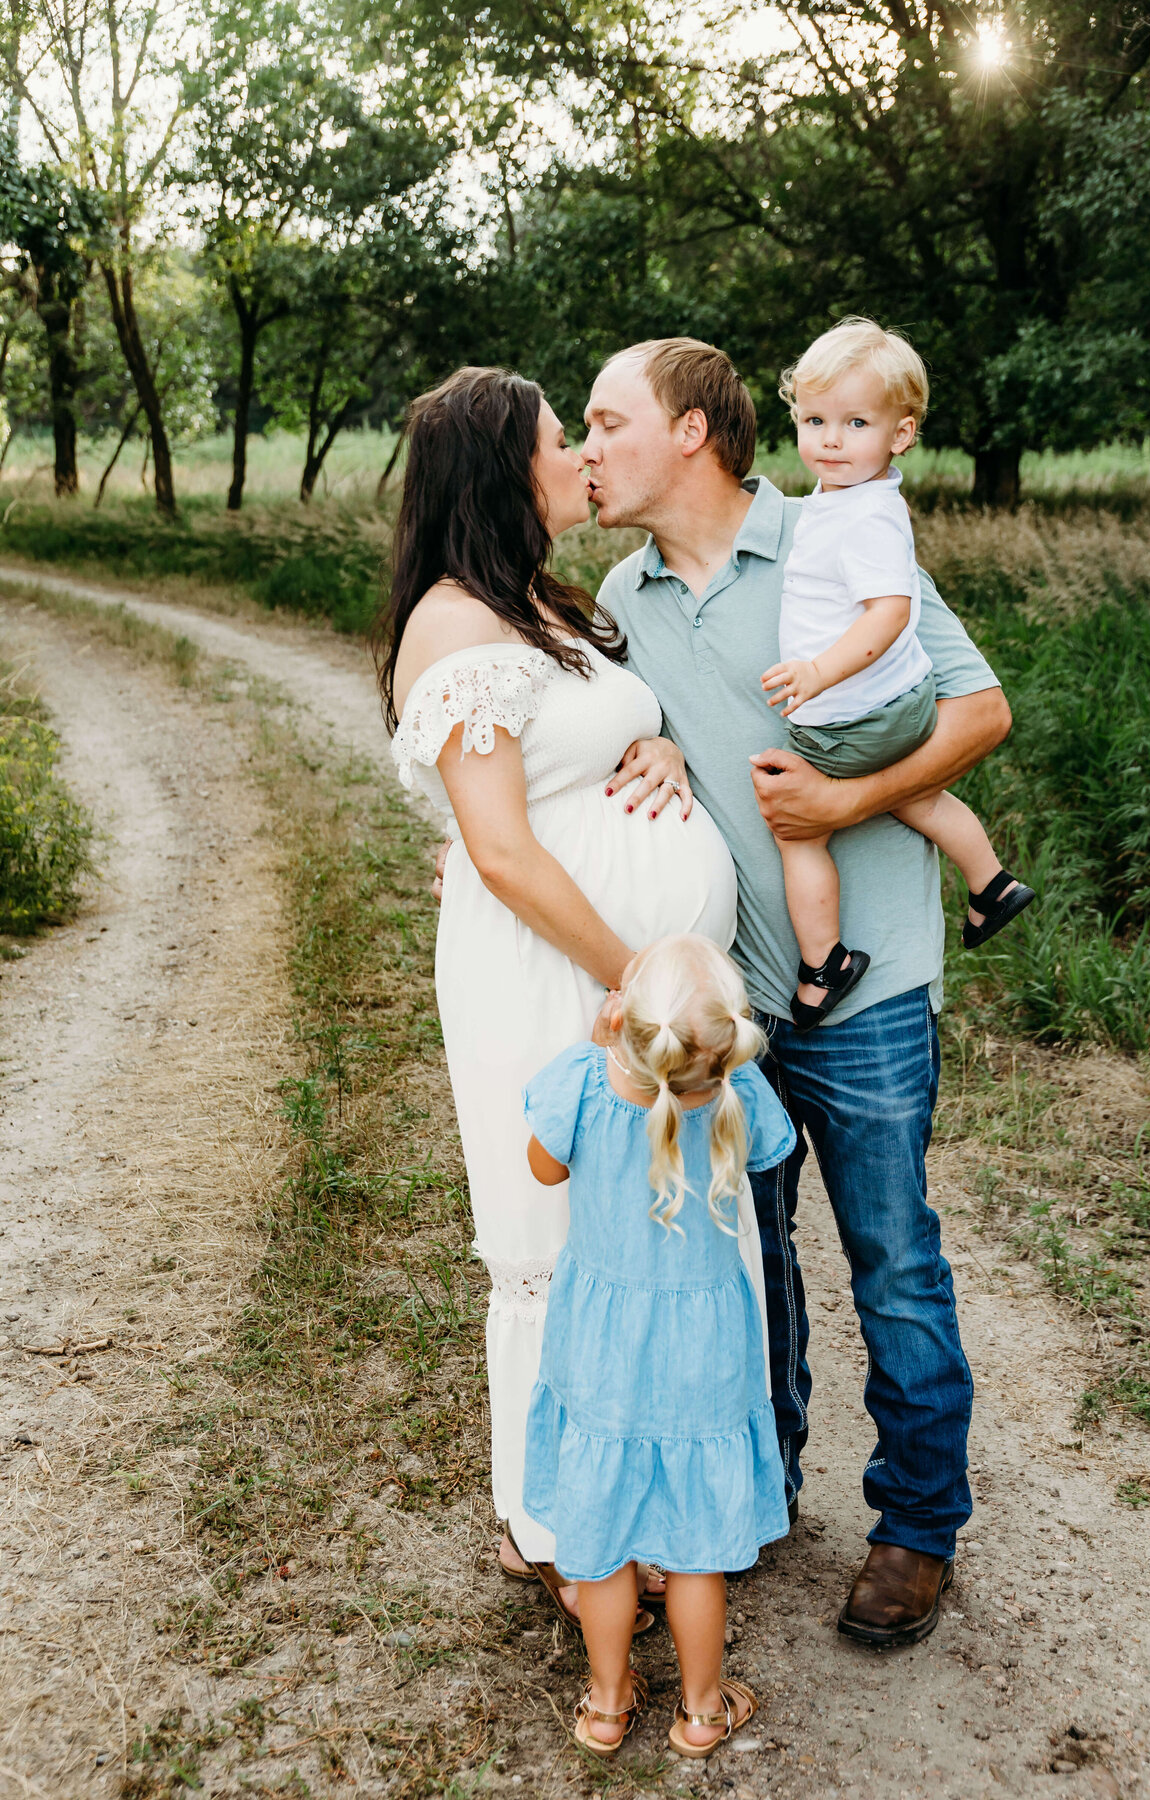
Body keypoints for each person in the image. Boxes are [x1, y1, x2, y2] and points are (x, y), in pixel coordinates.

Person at [585, 336, 1012, 1647]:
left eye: (610, 424)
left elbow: (978, 712)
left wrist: (846, 799)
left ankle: (917, 1525)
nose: (591, 450)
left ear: (693, 434)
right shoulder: (625, 592)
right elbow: (607, 736)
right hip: (728, 1007)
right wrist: (645, 731)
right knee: (742, 1265)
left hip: (868, 985)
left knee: (892, 1264)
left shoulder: (837, 536)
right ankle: (756, 1490)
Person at [376, 365, 746, 1626]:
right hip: (550, 976)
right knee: (558, 1243)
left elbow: (585, 752)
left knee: (654, 1236)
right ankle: (553, 1524)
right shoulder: (453, 624)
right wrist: (633, 970)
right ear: (499, 470)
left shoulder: (545, 604)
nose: (583, 457)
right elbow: (501, 849)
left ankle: (645, 1511)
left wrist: (660, 744)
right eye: (557, 440)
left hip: (617, 986)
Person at [522, 935, 794, 1759]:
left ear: (623, 1018)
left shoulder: (579, 1085)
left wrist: (603, 1051)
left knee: (601, 1545)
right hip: (702, 1349)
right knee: (697, 1547)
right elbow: (773, 1154)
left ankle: (607, 1705)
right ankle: (702, 1712)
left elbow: (541, 1170)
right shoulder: (737, 1094)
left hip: (601, 1345)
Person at [763, 318, 1034, 1029]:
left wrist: (819, 672)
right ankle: (991, 882)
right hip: (888, 708)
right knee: (914, 794)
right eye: (814, 420)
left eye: (855, 422)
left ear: (900, 435)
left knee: (798, 831)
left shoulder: (869, 517)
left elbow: (890, 613)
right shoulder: (843, 499)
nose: (829, 439)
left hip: (860, 714)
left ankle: (825, 963)